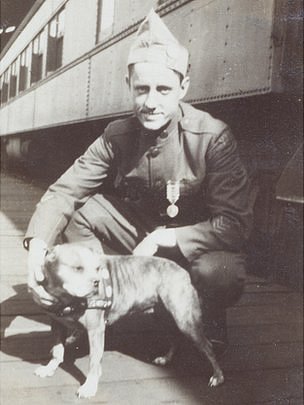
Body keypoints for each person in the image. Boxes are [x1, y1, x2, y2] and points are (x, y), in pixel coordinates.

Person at [25, 9, 253, 352]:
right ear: (128, 86)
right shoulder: (117, 135)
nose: (150, 102)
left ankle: (210, 315)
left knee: (219, 272)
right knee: (80, 210)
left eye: (163, 89)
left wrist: (168, 237)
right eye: (141, 89)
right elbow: (64, 191)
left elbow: (233, 224)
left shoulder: (212, 136)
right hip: (139, 235)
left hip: (194, 245)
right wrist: (37, 250)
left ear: (183, 88)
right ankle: (102, 300)